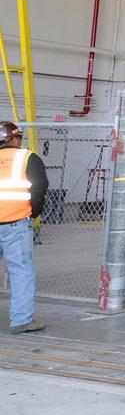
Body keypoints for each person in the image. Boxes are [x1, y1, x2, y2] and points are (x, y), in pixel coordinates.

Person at [0, 121, 47, 333]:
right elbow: (39, 188)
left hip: (13, 225)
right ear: (16, 138)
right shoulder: (27, 157)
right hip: (16, 226)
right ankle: (21, 320)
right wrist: (34, 213)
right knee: (20, 273)